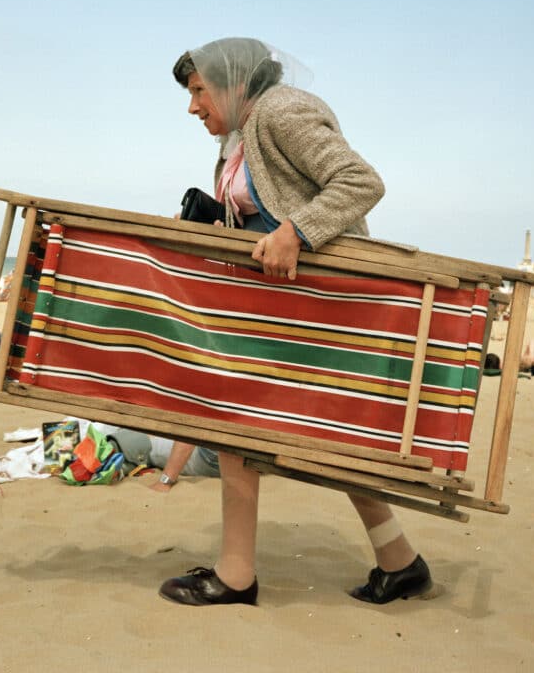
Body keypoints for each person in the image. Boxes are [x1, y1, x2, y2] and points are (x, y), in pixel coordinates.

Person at [158, 37, 432, 608]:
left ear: (232, 82)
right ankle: (400, 562)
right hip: (286, 306)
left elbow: (361, 184)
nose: (193, 107)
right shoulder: (240, 134)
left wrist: (295, 231)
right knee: (324, 433)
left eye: (198, 91)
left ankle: (236, 576)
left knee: (234, 421)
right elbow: (266, 206)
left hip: (320, 304)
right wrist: (221, 219)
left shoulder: (280, 110)